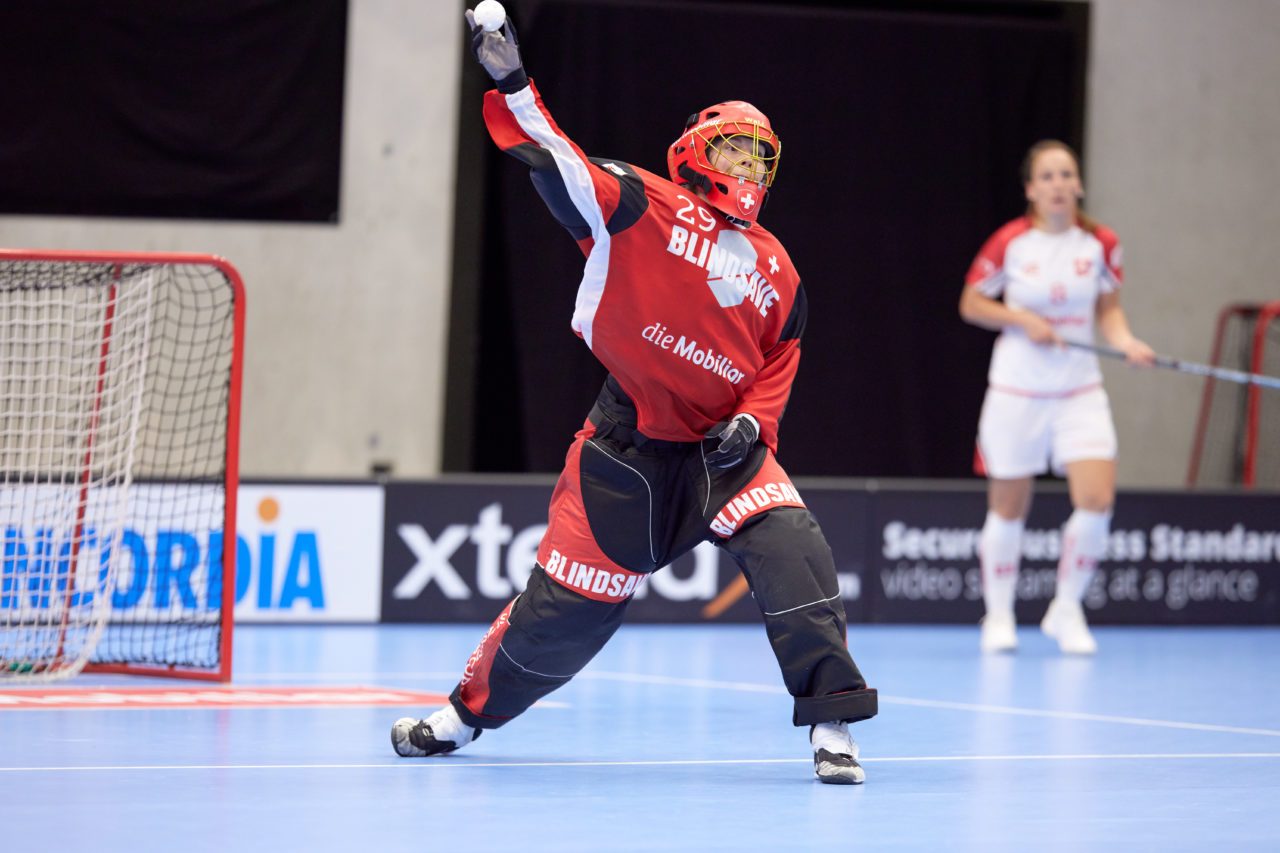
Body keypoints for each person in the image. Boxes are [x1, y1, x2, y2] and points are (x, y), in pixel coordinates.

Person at [390, 9, 878, 784]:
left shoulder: (779, 267)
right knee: (562, 614)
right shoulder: (637, 204)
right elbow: (557, 161)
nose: (749, 168)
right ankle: (461, 716)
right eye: (735, 148)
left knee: (795, 549)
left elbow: (780, 354)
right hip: (627, 453)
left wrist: (756, 420)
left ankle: (833, 727)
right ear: (694, 151)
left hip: (728, 450)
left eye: (762, 157)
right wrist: (512, 82)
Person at [959, 139, 1155, 655]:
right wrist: (1022, 320)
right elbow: (972, 303)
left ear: (1079, 184)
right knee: (1009, 507)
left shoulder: (1101, 244)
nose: (1058, 185)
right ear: (1030, 189)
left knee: (1097, 501)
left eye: (1066, 175)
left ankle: (1066, 609)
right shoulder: (1011, 242)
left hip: (1079, 390)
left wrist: (1126, 342)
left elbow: (1109, 310)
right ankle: (998, 615)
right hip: (1017, 391)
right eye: (1046, 177)